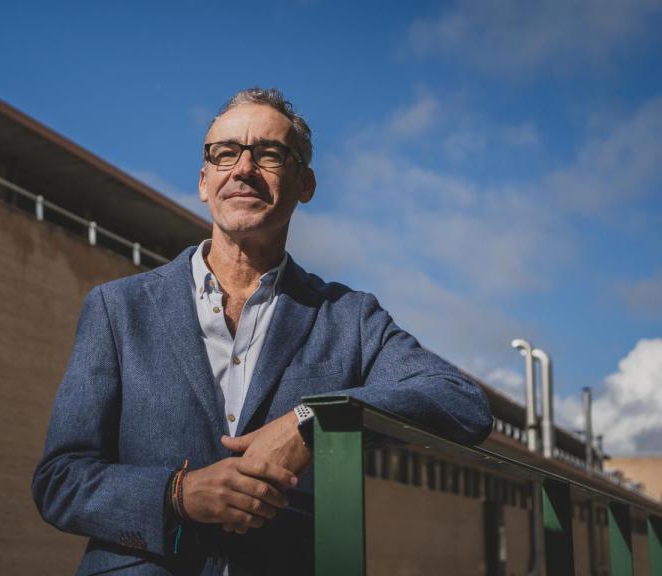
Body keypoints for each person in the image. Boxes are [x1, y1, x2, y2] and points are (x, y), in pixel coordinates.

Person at [32, 88, 492, 575]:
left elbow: (461, 402)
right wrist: (178, 494)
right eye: (225, 153)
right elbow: (60, 481)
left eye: (269, 153)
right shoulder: (117, 308)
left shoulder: (348, 317)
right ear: (205, 181)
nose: (244, 169)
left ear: (305, 183)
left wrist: (311, 422)